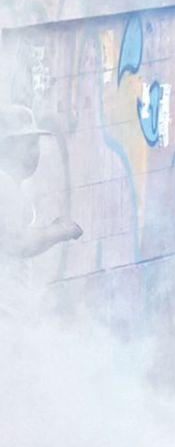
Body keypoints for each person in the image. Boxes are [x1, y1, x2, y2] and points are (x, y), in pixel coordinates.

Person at [0, 104, 83, 320]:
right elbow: (18, 243)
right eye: (28, 144)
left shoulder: (12, 183)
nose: (34, 152)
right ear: (6, 146)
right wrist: (59, 231)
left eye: (35, 144)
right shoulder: (4, 183)